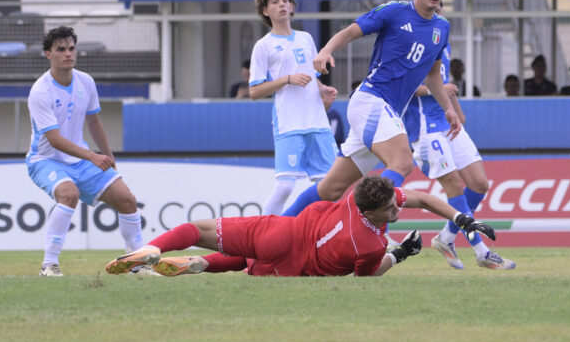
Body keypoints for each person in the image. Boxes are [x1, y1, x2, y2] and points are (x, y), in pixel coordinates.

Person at [278, 0, 459, 217]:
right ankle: (360, 220)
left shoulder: (442, 27)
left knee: (330, 189)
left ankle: (276, 226)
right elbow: (350, 32)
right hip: (372, 100)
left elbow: (432, 75)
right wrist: (326, 50)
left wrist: (448, 109)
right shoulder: (394, 11)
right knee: (403, 161)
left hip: (384, 112)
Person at [105, 176, 496, 278]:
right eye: (393, 206)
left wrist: (464, 220)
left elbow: (423, 199)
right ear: (377, 211)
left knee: (197, 228)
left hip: (282, 232)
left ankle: (152, 250)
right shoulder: (369, 246)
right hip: (289, 266)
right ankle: (204, 265)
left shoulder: (355, 196)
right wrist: (402, 253)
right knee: (243, 261)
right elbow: (371, 273)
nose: (400, 206)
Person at [27, 26, 148, 277]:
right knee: (68, 193)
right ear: (48, 54)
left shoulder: (85, 81)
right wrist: (94, 156)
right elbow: (55, 139)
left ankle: (137, 263)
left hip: (80, 158)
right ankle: (49, 264)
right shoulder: (40, 91)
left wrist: (108, 154)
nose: (68, 54)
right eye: (61, 49)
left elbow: (93, 121)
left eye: (71, 48)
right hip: (46, 160)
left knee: (126, 199)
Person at [404, 41, 515, 270]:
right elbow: (404, 86)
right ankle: (481, 251)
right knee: (454, 184)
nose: (437, 9)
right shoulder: (413, 43)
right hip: (427, 128)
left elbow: (444, 84)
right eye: (433, 5)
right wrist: (441, 90)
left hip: (449, 123)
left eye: (441, 5)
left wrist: (455, 109)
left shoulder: (442, 43)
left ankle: (445, 238)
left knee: (479, 183)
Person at [248, 0, 339, 216]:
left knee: (331, 186)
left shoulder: (306, 38)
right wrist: (287, 79)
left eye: (285, 0)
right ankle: (261, 239)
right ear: (265, 11)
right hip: (290, 124)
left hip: (318, 123)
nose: (282, 4)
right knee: (285, 185)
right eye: (275, 1)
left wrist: (323, 90)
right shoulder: (263, 46)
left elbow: (312, 77)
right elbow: (255, 91)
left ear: (292, 6)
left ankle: (321, 238)